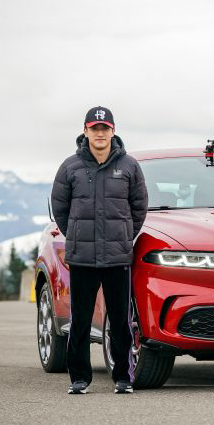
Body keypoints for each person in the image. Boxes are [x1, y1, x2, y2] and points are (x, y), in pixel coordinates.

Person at [50, 106, 148, 394]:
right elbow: (61, 209)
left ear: (113, 131)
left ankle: (123, 378)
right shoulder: (70, 167)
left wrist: (124, 236)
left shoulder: (129, 166)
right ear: (86, 131)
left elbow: (139, 207)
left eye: (105, 128)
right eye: (95, 128)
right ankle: (79, 378)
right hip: (82, 257)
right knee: (80, 320)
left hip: (118, 257)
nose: (100, 133)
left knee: (120, 321)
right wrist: (78, 235)